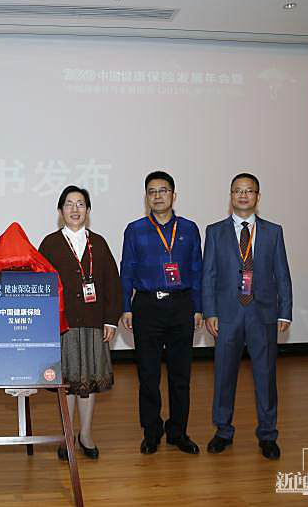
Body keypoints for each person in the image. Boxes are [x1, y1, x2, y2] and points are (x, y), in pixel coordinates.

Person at [203, 173, 292, 460]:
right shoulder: (214, 232)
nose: (243, 195)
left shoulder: (273, 232)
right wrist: (210, 311)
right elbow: (209, 275)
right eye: (238, 191)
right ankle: (223, 431)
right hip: (227, 315)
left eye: (249, 191)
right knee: (224, 375)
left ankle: (268, 434)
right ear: (231, 196)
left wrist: (285, 311)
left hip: (262, 313)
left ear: (257, 196)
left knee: (265, 376)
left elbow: (282, 274)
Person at [119, 171, 204, 455]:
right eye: (152, 191)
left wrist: (198, 307)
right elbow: (127, 270)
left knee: (181, 376)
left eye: (163, 190)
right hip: (147, 307)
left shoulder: (189, 229)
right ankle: (152, 431)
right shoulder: (135, 230)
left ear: (173, 195)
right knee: (148, 375)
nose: (157, 196)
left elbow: (197, 269)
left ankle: (178, 431)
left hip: (181, 306)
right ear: (146, 197)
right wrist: (126, 306)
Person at [38, 186, 122, 460]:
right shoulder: (50, 244)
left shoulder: (99, 242)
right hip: (63, 325)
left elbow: (112, 283)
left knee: (89, 381)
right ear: (60, 210)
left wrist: (110, 320)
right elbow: (41, 286)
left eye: (81, 204)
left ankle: (85, 434)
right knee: (68, 381)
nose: (75, 209)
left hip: (94, 322)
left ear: (88, 210)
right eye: (69, 204)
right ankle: (67, 435)